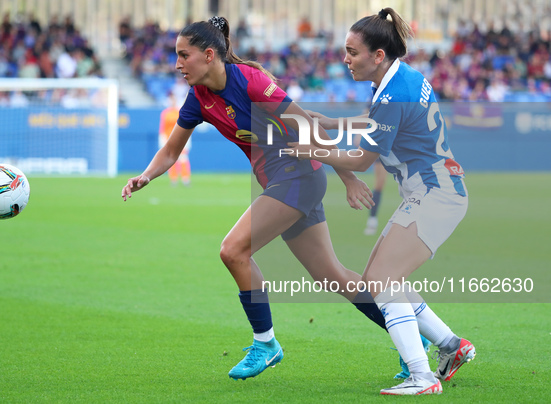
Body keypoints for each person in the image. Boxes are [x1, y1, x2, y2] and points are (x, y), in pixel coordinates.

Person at [122, 16, 406, 382]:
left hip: (298, 176)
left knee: (233, 249)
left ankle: (266, 343)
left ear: (209, 55)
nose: (177, 64)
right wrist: (146, 176)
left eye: (183, 55)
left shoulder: (252, 82)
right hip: (281, 182)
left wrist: (348, 177)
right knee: (332, 275)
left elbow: (307, 125)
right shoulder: (199, 98)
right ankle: (410, 338)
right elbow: (171, 150)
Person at [285, 8, 475, 395]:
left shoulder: (394, 91)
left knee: (382, 280)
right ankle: (452, 346)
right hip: (436, 191)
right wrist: (335, 124)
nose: (345, 59)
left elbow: (363, 158)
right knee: (382, 279)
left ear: (377, 56)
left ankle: (422, 378)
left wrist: (313, 151)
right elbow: (380, 122)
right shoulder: (398, 79)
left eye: (352, 52)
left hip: (436, 194)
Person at [159, 92, 191, 186]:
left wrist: (187, 140)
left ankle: (185, 178)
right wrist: (162, 139)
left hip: (181, 139)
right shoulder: (165, 113)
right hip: (169, 139)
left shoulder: (180, 111)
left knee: (183, 158)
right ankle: (174, 178)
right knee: (171, 159)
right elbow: (163, 127)